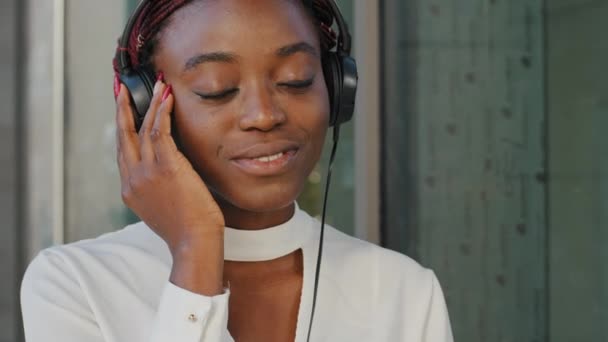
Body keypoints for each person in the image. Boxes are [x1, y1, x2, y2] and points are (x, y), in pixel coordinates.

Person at [20, 0, 454, 341]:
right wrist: (196, 252)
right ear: (141, 108)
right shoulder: (73, 285)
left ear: (337, 87)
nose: (264, 115)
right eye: (217, 90)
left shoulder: (404, 292)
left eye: (296, 79)